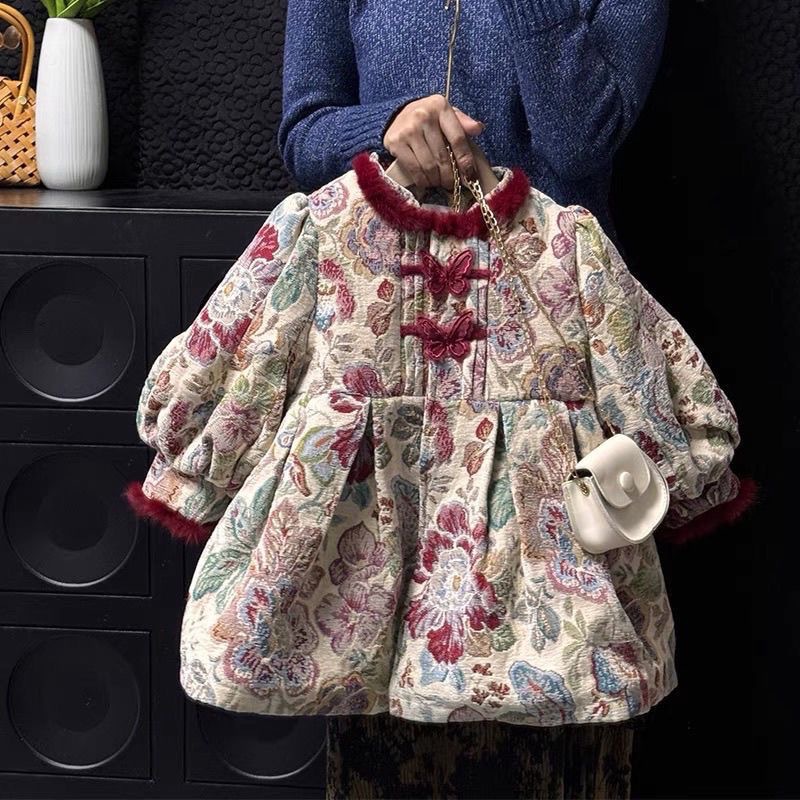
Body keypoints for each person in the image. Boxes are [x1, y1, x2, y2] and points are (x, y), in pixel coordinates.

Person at [277, 1, 669, 795]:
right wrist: (387, 126)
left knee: (569, 679)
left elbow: (582, 138)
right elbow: (303, 135)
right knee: (380, 678)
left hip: (554, 364)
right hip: (392, 352)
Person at [278, 0, 669, 242]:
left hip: (546, 299)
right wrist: (386, 125)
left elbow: (578, 146)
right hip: (375, 292)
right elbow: (305, 135)